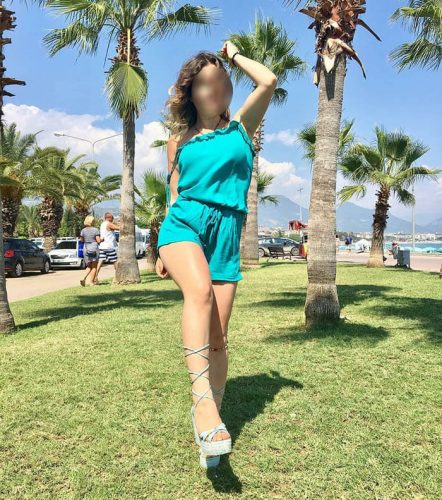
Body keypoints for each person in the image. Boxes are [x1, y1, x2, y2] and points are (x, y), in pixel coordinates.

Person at [155, 43, 276, 468]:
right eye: (205, 83)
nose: (216, 88)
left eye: (221, 81)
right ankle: (203, 404)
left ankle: (210, 427)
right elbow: (174, 195)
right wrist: (162, 250)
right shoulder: (177, 141)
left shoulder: (241, 128)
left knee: (218, 338)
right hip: (184, 225)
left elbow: (268, 81)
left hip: (226, 232)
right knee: (200, 293)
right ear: (190, 92)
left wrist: (234, 56)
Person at [95, 212, 119, 283]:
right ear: (109, 218)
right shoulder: (109, 224)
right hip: (109, 246)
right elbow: (119, 228)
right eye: (112, 218)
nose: (113, 219)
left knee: (100, 262)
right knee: (115, 261)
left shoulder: (102, 224)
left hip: (102, 246)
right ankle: (117, 276)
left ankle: (95, 276)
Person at [79, 215, 101, 286]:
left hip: (86, 248)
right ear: (92, 221)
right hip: (94, 248)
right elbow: (98, 240)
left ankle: (83, 278)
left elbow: (81, 240)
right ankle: (91, 282)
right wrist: (102, 240)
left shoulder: (83, 230)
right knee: (94, 266)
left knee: (88, 266)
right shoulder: (95, 230)